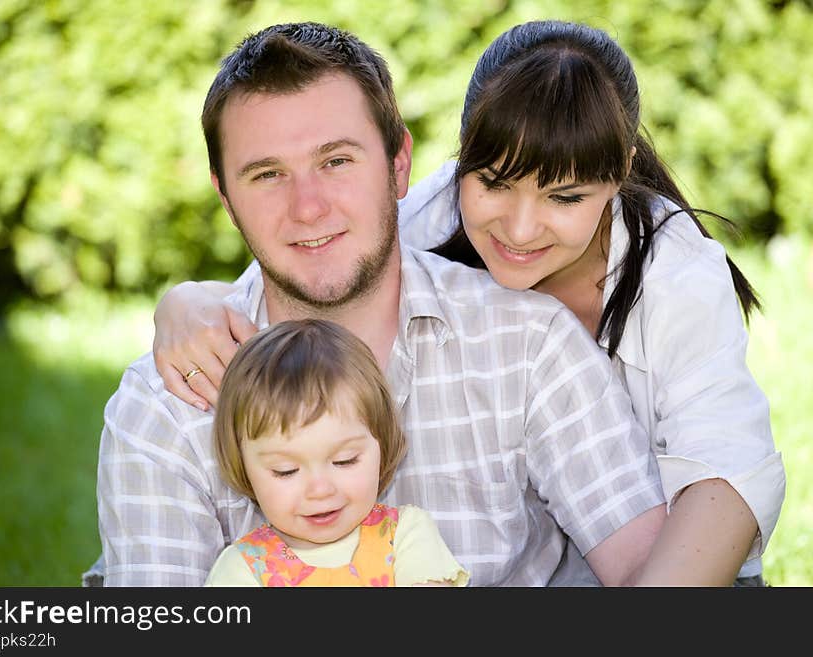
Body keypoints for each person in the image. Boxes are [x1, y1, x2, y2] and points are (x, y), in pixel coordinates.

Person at [150, 20, 785, 586]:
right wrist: (185, 302)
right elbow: (307, 257)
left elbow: (725, 475)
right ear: (461, 160)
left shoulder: (674, 273)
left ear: (619, 171)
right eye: (495, 183)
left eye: (564, 198)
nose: (519, 228)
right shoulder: (429, 213)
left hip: (688, 554)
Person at [204, 318, 469, 586]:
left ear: (382, 446)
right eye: (286, 471)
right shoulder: (241, 570)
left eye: (345, 461)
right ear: (243, 467)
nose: (320, 490)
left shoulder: (404, 536)